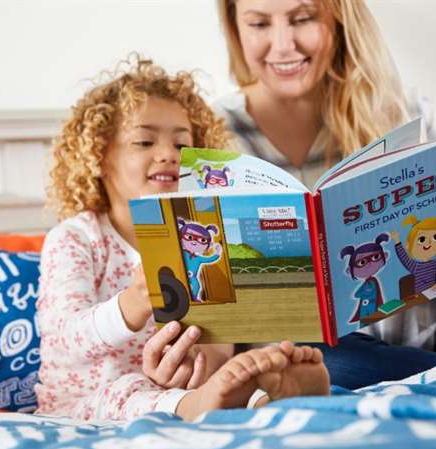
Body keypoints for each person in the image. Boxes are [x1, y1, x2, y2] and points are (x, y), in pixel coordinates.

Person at [215, 0, 436, 388]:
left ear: (339, 17)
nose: (283, 45)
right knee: (326, 364)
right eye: (259, 24)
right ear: (235, 29)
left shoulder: (404, 110)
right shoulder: (214, 138)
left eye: (303, 19)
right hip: (318, 353)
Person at [34, 56, 330, 422]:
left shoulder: (202, 237)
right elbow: (65, 339)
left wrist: (198, 363)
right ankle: (226, 401)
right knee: (124, 391)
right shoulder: (76, 239)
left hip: (174, 393)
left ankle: (271, 395)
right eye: (144, 141)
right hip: (80, 405)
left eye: (181, 144)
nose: (167, 155)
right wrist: (133, 303)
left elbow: (216, 345)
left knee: (222, 377)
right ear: (97, 156)